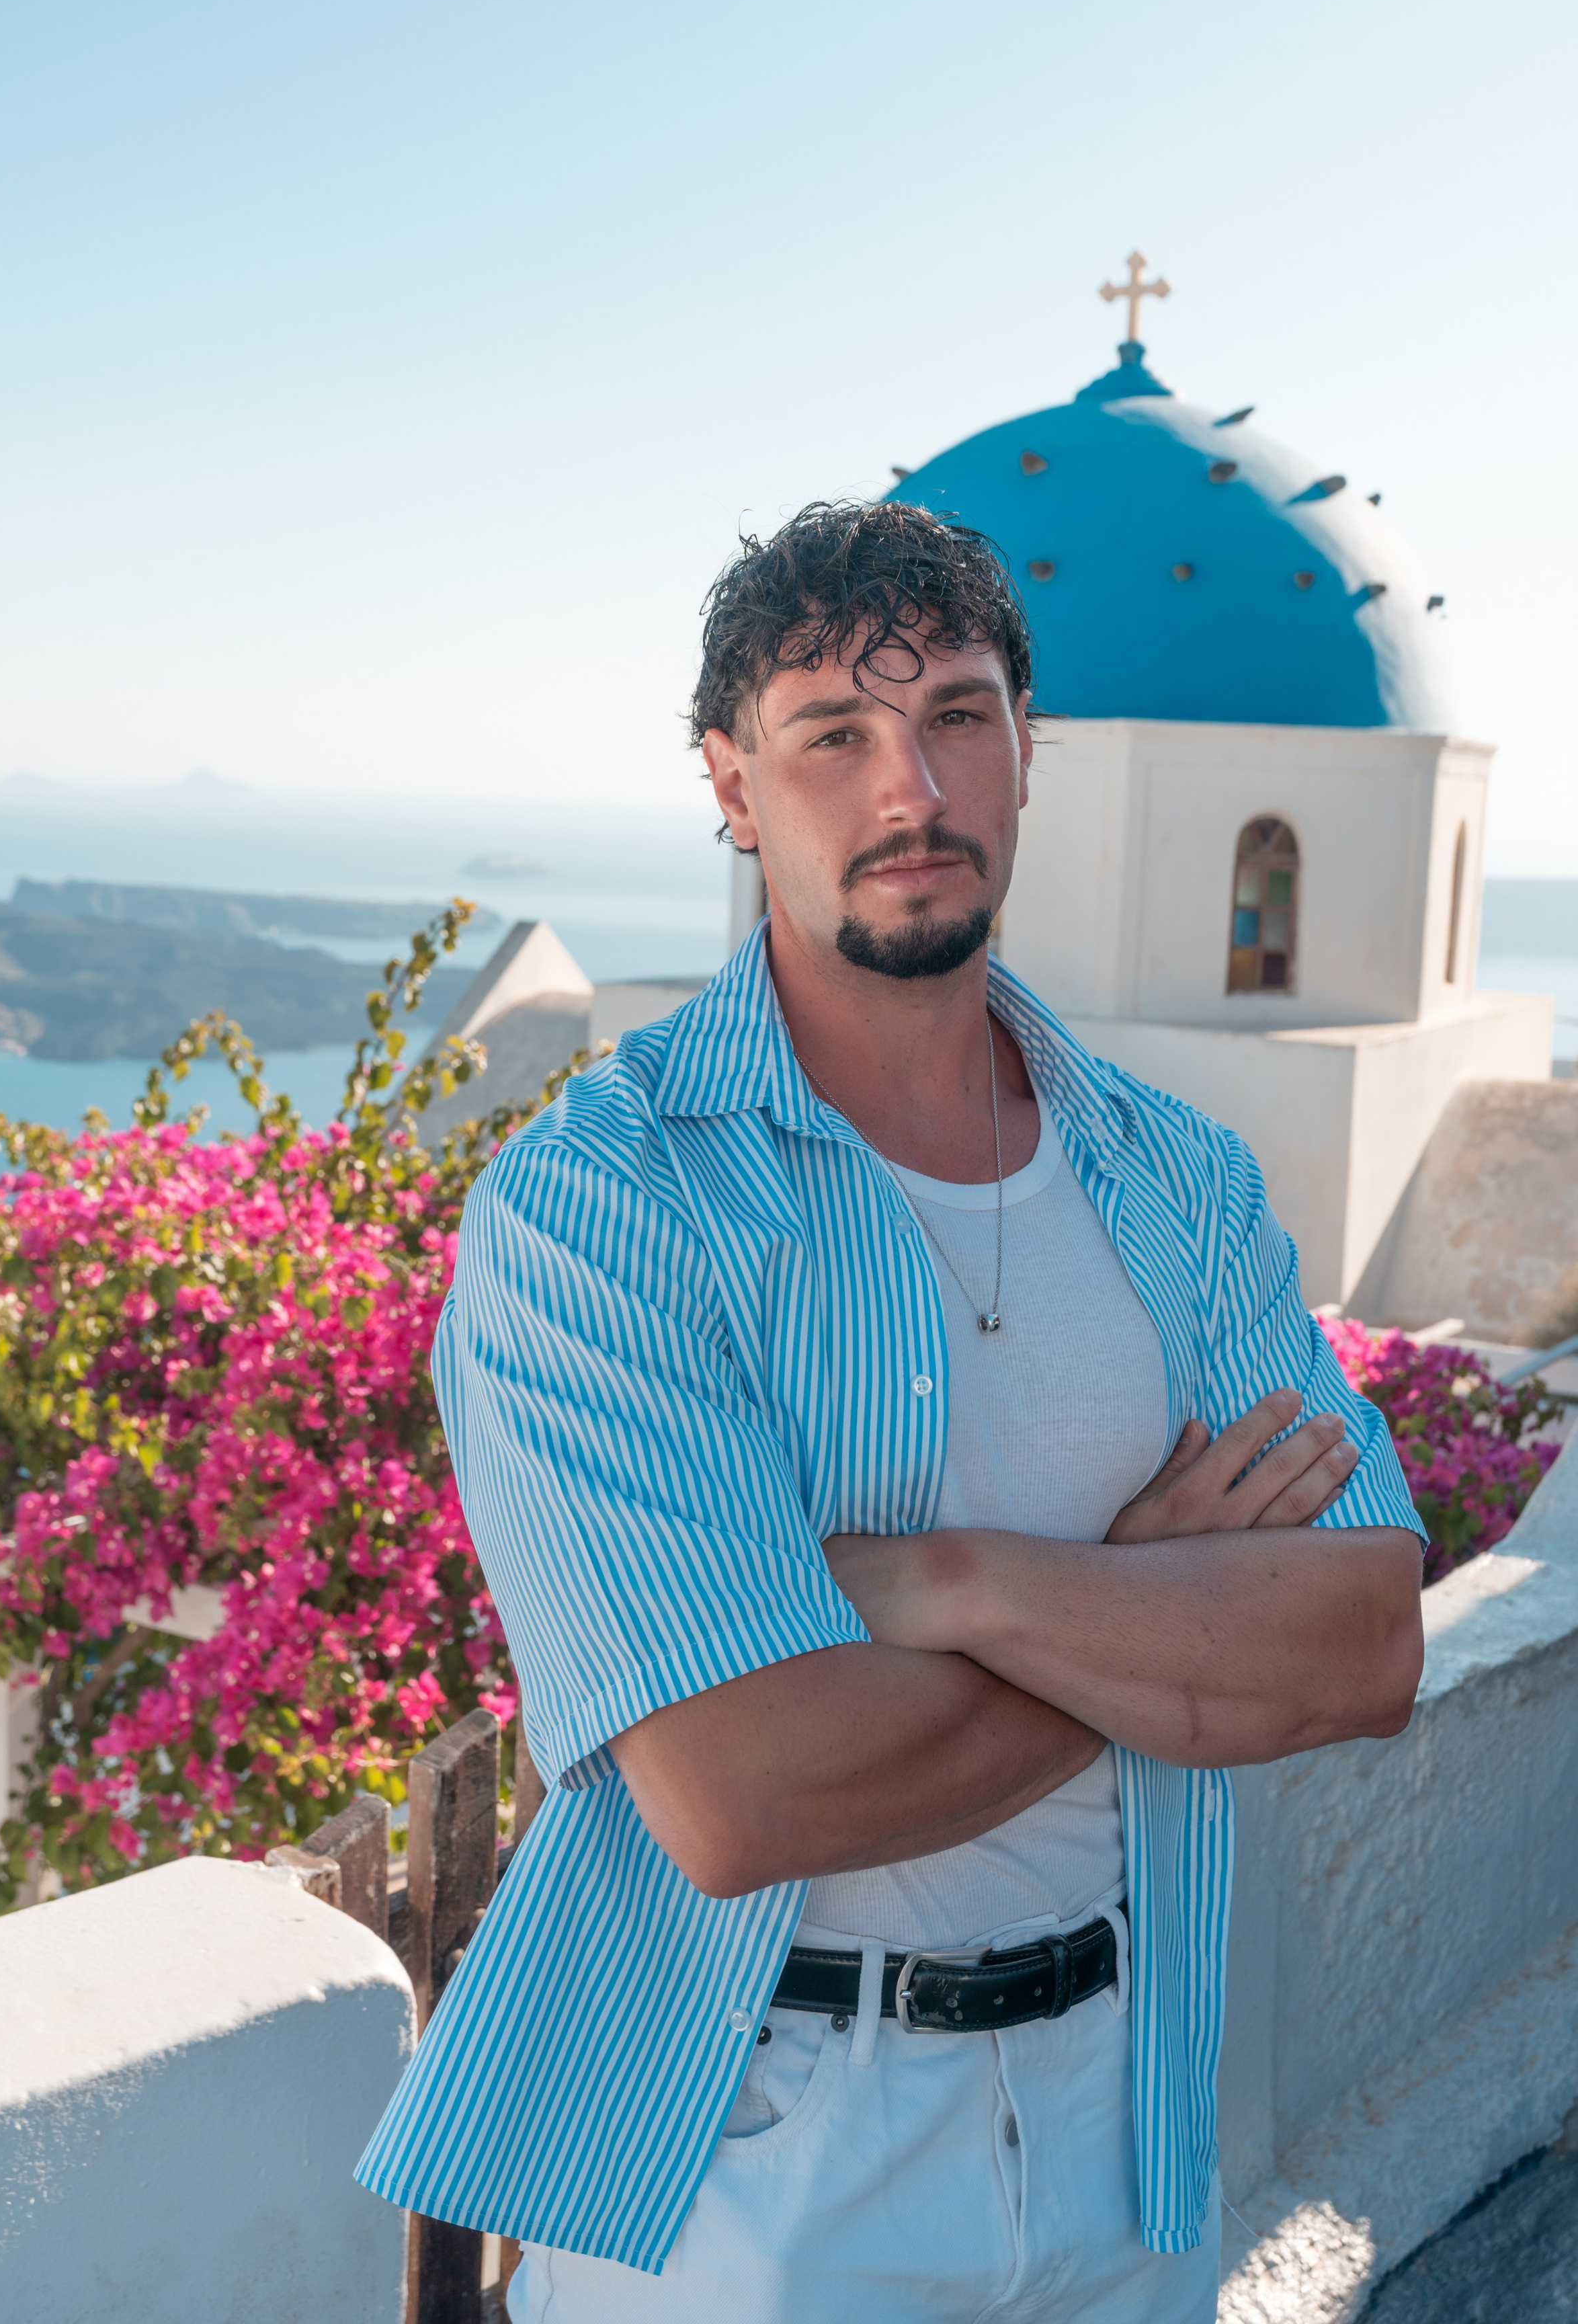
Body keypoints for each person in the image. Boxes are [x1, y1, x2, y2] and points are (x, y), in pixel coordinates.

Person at [357, 502, 1425, 2322]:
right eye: (831, 735)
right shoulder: (601, 1208)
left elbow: (1355, 1648)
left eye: (958, 716)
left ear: (1028, 756)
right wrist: (1152, 1604)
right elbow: (747, 1790)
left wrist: (958, 1582)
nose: (905, 785)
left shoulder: (1179, 1182)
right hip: (751, 2171)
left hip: (1127, 2129)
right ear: (732, 782)